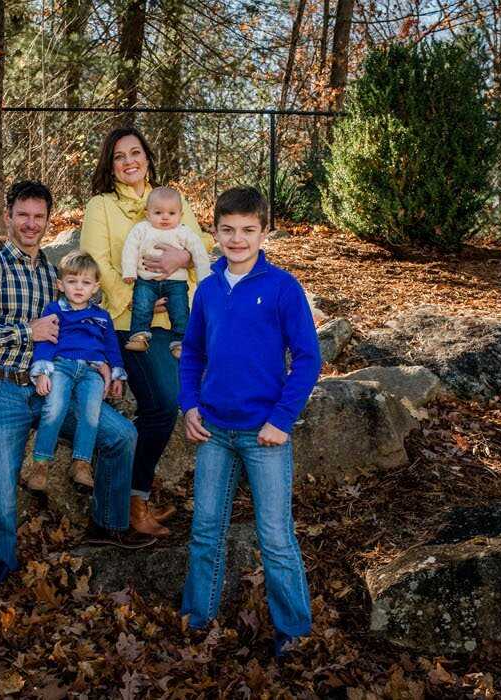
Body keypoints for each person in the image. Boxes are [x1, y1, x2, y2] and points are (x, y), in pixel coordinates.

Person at [0, 180, 153, 590]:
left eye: (39, 216)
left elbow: (84, 321)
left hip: (54, 385)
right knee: (1, 494)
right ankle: (1, 581)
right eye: (23, 215)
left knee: (121, 435)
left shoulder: (55, 274)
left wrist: (100, 361)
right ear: (7, 217)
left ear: (48, 220)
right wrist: (25, 331)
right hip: (0, 387)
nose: (31, 224)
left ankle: (107, 524)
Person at [177, 187, 320, 658]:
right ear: (214, 233)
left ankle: (293, 632)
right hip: (214, 431)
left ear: (263, 232)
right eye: (228, 230)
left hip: (265, 434)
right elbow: (192, 353)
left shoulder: (282, 287)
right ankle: (198, 620)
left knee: (275, 536)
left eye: (247, 230)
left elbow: (308, 359)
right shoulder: (208, 289)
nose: (237, 239)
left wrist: (282, 419)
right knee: (205, 529)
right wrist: (189, 405)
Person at [77, 125, 213, 537]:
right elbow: (96, 262)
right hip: (128, 324)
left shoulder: (170, 200)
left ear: (148, 157)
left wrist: (182, 262)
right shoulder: (101, 206)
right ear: (110, 165)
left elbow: (200, 248)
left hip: (175, 321)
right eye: (119, 156)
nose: (129, 161)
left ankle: (132, 498)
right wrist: (137, 299)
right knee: (165, 403)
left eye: (135, 152)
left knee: (178, 400)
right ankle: (132, 501)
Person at [30, 251, 129, 485]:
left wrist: (117, 374)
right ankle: (41, 464)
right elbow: (46, 340)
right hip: (61, 366)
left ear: (95, 287)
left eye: (85, 283)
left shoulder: (102, 316)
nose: (78, 287)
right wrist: (42, 371)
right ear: (60, 284)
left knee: (91, 412)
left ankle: (81, 463)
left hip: (92, 372)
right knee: (55, 407)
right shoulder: (54, 309)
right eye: (72, 281)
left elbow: (111, 347)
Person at [120, 186, 213, 357]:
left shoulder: (183, 232)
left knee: (180, 311)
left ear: (180, 215)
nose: (165, 217)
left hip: (176, 282)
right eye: (158, 213)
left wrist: (204, 279)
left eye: (171, 213)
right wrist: (129, 271)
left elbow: (199, 252)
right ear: (147, 214)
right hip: (146, 280)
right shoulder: (141, 229)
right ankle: (139, 336)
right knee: (142, 305)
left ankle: (181, 342)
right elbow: (130, 248)